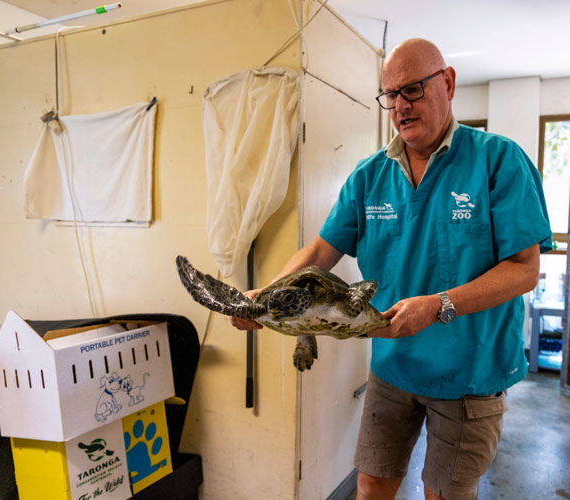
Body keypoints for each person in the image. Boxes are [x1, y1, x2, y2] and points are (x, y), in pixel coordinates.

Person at [232, 38, 552, 500]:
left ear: (448, 83)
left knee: (443, 494)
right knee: (371, 486)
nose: (401, 106)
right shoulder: (369, 177)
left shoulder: (498, 161)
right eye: (391, 96)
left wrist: (440, 304)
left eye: (414, 90)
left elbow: (524, 270)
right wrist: (263, 300)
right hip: (393, 366)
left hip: (470, 373)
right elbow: (321, 252)